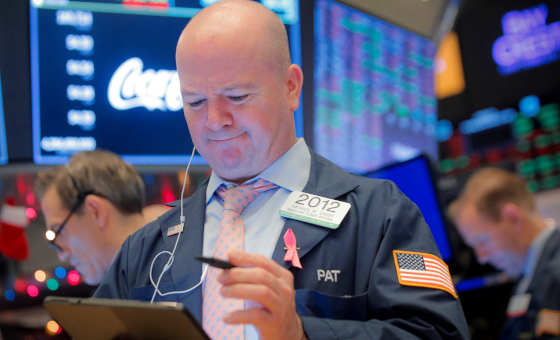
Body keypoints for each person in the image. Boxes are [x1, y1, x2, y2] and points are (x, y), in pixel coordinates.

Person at [94, 1, 469, 339]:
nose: (214, 121)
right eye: (194, 101)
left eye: (237, 96)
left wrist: (301, 334)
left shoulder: (380, 214)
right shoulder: (147, 247)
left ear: (291, 86)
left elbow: (439, 333)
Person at [448, 167, 560, 339]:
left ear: (512, 217)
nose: (482, 258)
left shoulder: (555, 271)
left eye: (483, 242)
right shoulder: (529, 274)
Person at [35, 149, 169, 285]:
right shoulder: (174, 251)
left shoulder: (164, 290)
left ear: (95, 211)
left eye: (59, 231)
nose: (62, 255)